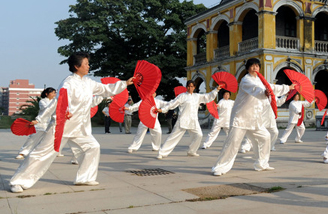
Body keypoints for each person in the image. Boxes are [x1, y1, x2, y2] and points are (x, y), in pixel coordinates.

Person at [9, 52, 132, 193]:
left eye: (88, 63)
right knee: (42, 153)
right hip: (62, 125)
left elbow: (105, 89)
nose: (88, 66)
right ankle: (18, 182)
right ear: (76, 66)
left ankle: (84, 178)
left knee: (93, 147)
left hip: (80, 127)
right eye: (85, 63)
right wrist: (53, 115)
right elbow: (58, 102)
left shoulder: (88, 82)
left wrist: (125, 83)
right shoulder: (67, 83)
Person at [212, 58, 292, 176]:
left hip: (254, 119)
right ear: (248, 68)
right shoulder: (246, 80)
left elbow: (271, 87)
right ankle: (219, 167)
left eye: (257, 66)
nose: (255, 68)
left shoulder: (260, 80)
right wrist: (264, 92)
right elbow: (257, 90)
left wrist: (288, 88)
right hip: (241, 117)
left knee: (265, 137)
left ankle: (262, 163)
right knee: (233, 143)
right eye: (252, 66)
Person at [157, 80, 220, 159]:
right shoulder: (182, 96)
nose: (190, 88)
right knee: (173, 137)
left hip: (193, 121)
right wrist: (163, 109)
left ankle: (192, 151)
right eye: (189, 86)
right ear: (186, 87)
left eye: (192, 86)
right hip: (183, 120)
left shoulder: (197, 96)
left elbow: (208, 96)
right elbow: (173, 103)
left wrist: (216, 90)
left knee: (199, 135)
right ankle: (162, 152)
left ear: (194, 87)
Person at [16, 87, 56, 159]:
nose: (54, 94)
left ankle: (49, 153)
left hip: (51, 122)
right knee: (33, 138)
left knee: (50, 139)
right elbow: (48, 109)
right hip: (41, 123)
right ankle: (23, 152)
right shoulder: (42, 101)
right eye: (52, 93)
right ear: (47, 94)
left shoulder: (55, 101)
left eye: (55, 93)